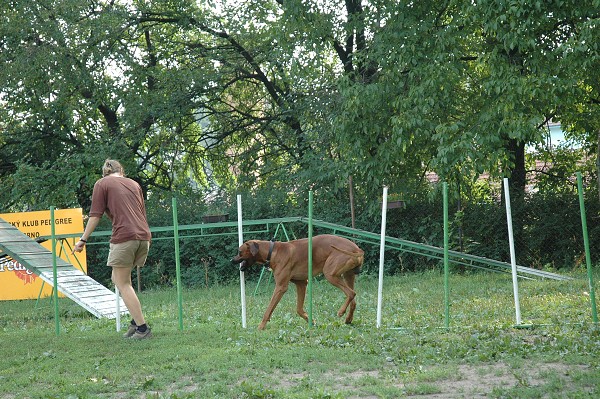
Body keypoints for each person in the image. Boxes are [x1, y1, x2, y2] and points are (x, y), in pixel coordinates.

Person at [73, 159, 152, 339]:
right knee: (119, 279)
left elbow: (95, 216)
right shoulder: (133, 184)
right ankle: (135, 322)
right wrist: (148, 236)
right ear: (121, 171)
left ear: (104, 172)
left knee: (122, 282)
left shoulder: (102, 183)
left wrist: (82, 240)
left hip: (125, 237)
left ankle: (142, 329)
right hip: (143, 236)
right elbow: (141, 212)